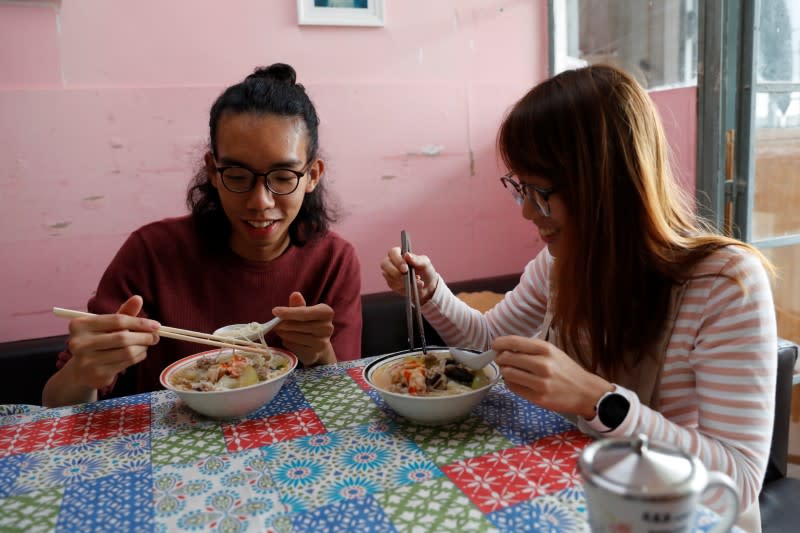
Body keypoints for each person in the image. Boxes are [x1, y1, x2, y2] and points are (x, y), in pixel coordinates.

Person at [381, 65, 776, 531]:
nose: (528, 211)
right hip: (584, 493)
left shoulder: (723, 282)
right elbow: (487, 340)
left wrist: (597, 401)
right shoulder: (561, 264)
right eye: (520, 188)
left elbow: (739, 477)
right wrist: (430, 294)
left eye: (542, 192)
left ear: (607, 184)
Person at [44, 63, 362, 407]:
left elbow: (342, 403)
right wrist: (84, 371)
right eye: (238, 175)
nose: (260, 202)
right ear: (212, 170)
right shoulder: (151, 252)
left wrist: (321, 353)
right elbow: (58, 403)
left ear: (312, 175)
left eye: (283, 176)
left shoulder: (334, 260)